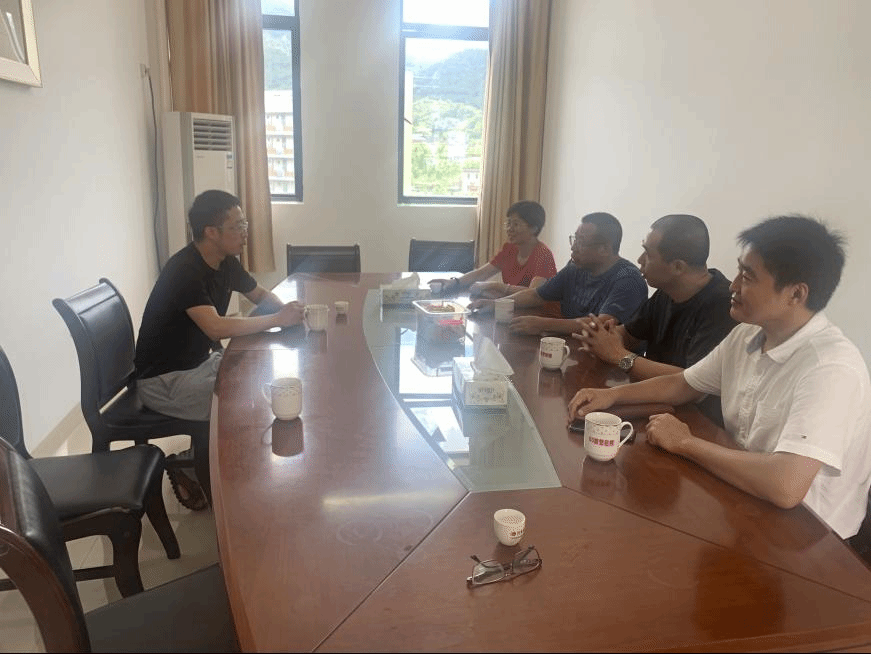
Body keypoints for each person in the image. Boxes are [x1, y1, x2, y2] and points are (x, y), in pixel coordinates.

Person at [568, 215, 871, 539]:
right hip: (745, 498)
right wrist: (612, 395)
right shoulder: (747, 335)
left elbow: (786, 485)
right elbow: (683, 384)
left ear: (796, 294)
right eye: (739, 271)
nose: (733, 285)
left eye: (748, 277)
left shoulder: (830, 368)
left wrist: (685, 442)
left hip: (811, 538)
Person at [135, 189, 304, 508]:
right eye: (237, 226)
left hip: (197, 365)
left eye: (244, 224)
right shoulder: (185, 270)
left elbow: (259, 295)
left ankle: (211, 463)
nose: (245, 232)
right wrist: (276, 320)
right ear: (211, 232)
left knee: (256, 385)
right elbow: (215, 327)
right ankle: (216, 485)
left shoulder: (225, 262)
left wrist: (287, 313)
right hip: (164, 381)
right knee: (240, 404)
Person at [573, 214, 737, 423]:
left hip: (696, 420)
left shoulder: (723, 306)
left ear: (678, 267)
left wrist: (619, 355)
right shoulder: (667, 291)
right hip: (654, 406)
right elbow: (629, 335)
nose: (640, 260)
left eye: (648, 254)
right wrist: (604, 335)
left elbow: (689, 382)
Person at [470, 212, 647, 336]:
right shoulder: (575, 267)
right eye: (574, 238)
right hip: (574, 348)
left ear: (605, 249)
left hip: (612, 366)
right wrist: (496, 304)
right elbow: (536, 295)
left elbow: (600, 325)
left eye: (581, 241)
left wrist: (543, 324)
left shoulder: (627, 279)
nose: (573, 247)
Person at [431, 200, 557, 297]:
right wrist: (454, 282)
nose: (510, 229)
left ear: (534, 228)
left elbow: (533, 294)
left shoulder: (543, 254)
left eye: (516, 224)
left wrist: (496, 286)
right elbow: (482, 273)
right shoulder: (509, 249)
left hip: (539, 316)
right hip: (515, 309)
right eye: (508, 223)